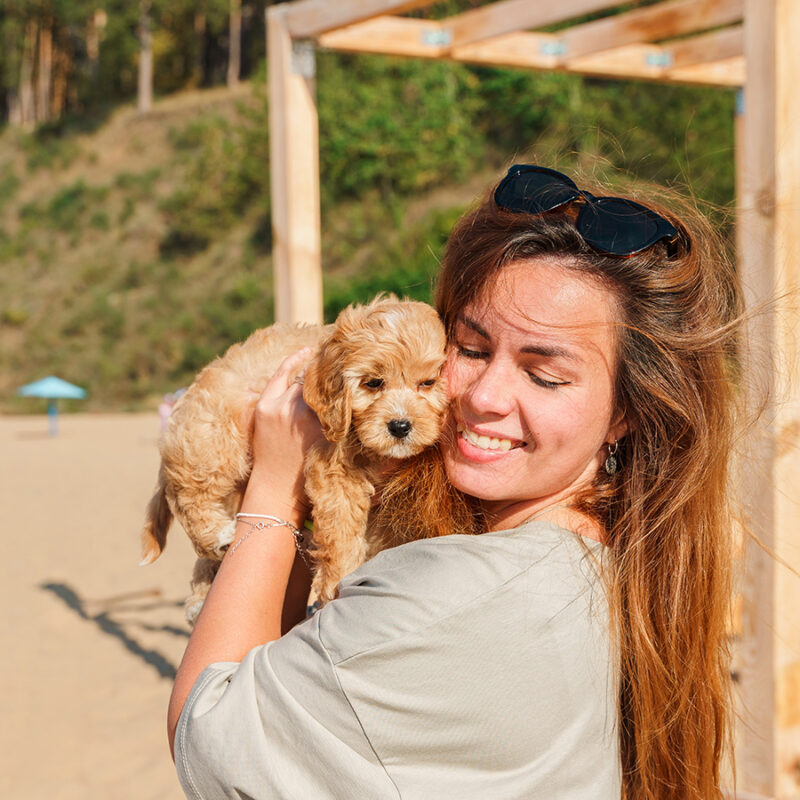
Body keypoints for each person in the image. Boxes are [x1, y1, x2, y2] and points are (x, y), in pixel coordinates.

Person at [167, 164, 742, 799]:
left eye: (545, 375)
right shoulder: (623, 565)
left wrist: (274, 490)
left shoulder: (452, 594)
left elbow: (210, 728)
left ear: (626, 412)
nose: (485, 396)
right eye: (468, 349)